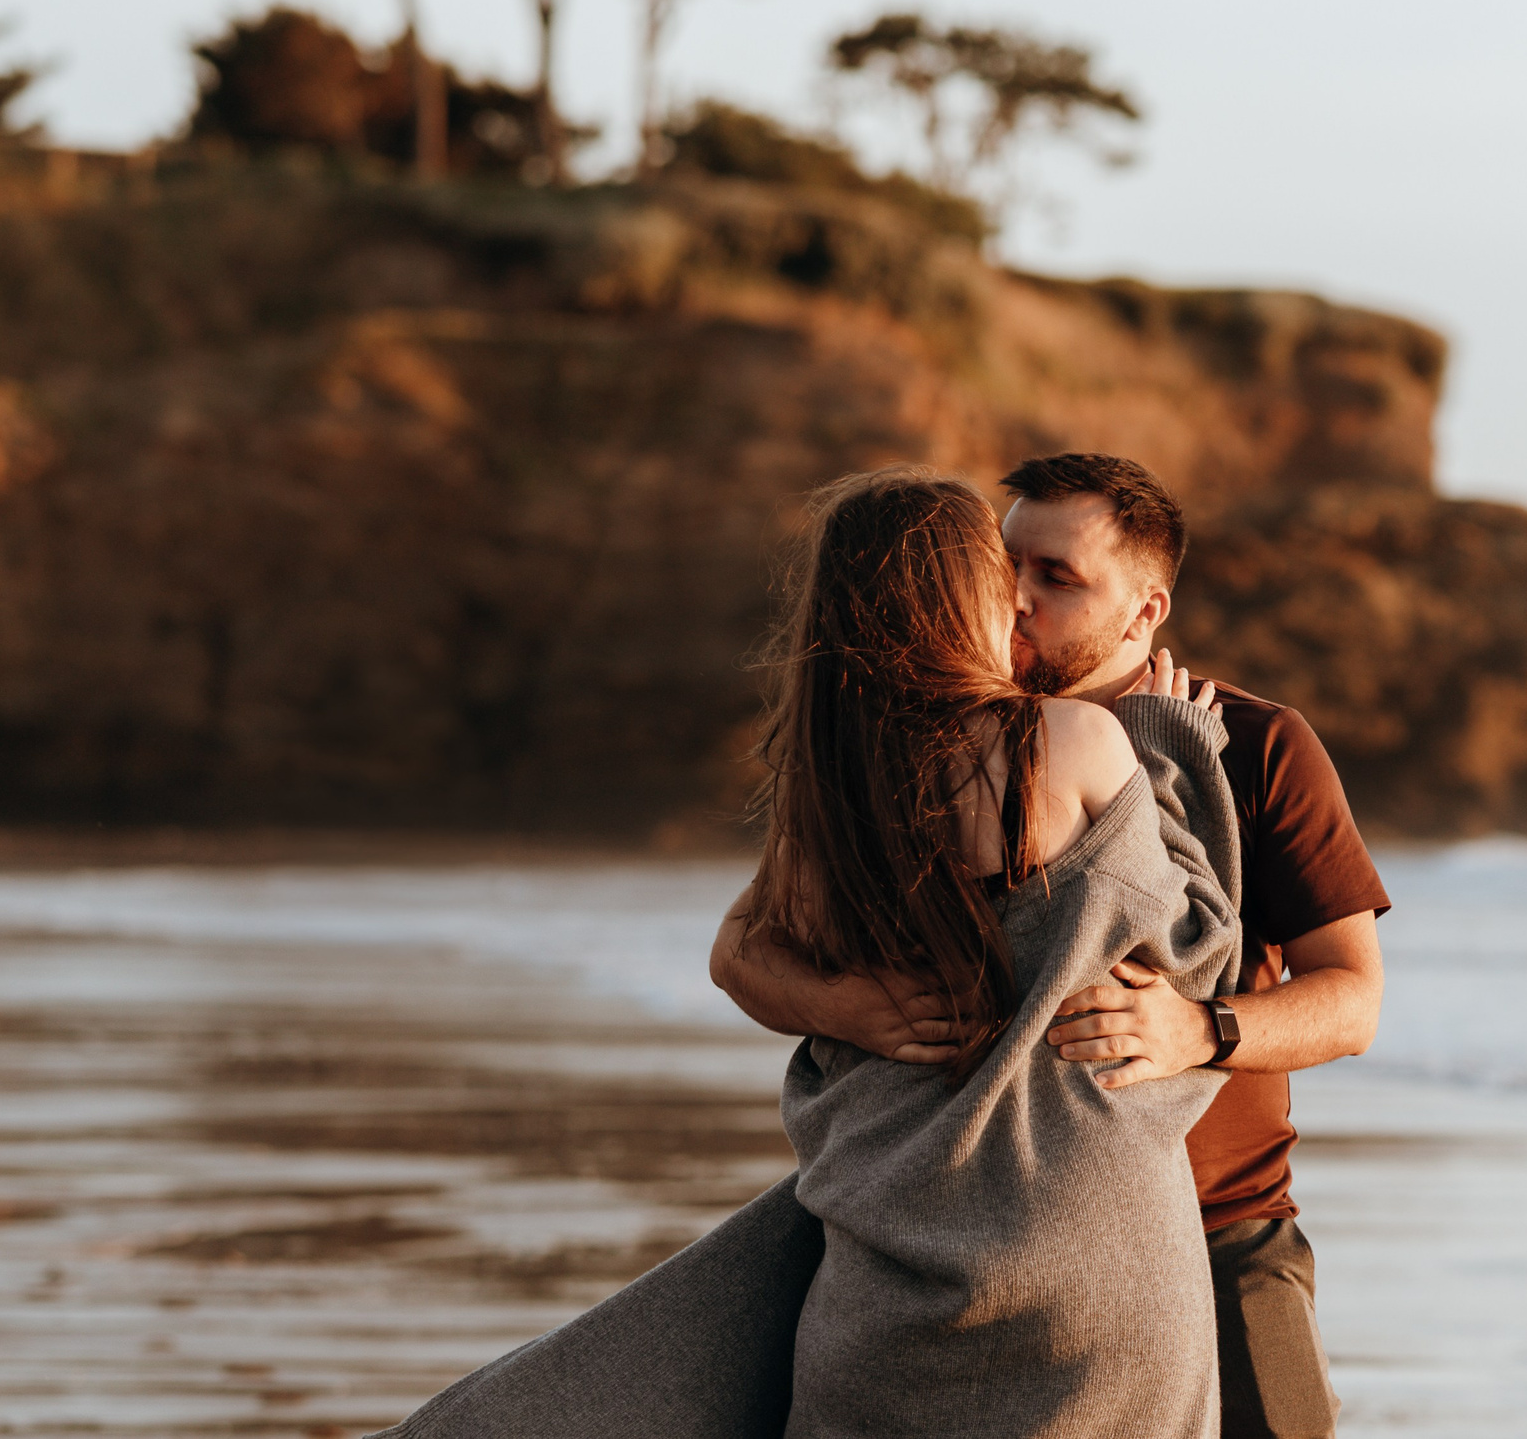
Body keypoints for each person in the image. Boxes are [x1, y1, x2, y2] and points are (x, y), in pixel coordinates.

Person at [377, 468, 1245, 1439]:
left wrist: (846, 1009)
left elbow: (737, 952)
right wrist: (1175, 749)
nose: (1021, 593)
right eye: (999, 570)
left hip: (885, 1264)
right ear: (962, 596)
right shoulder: (1080, 742)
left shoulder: (832, 801)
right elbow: (1200, 951)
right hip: (1084, 1256)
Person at [717, 453, 1391, 1439]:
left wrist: (1199, 1029)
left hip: (1220, 1231)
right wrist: (841, 1006)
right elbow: (743, 946)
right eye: (1008, 567)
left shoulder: (1256, 746)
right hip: (957, 1248)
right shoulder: (912, 740)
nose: (1020, 599)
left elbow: (1354, 1000)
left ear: (1144, 612)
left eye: (1058, 578)